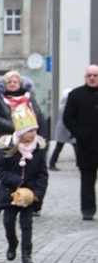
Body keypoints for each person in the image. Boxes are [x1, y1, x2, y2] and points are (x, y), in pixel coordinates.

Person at [0, 106, 48, 263]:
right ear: (20, 133)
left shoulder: (37, 151)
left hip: (29, 195)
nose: (32, 134)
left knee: (27, 224)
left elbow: (42, 174)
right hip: (10, 193)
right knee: (8, 222)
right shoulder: (9, 149)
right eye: (28, 131)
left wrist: (37, 193)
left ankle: (27, 253)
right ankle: (12, 243)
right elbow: (0, 169)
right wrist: (15, 180)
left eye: (34, 131)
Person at [0, 70, 47, 213]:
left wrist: (28, 128)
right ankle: (3, 201)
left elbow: (38, 114)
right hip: (8, 138)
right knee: (7, 169)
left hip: (28, 138)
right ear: (4, 84)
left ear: (20, 83)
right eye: (9, 82)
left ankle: (33, 201)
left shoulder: (28, 96)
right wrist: (17, 127)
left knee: (32, 170)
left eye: (15, 81)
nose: (12, 84)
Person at [62, 64, 98, 221]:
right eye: (89, 75)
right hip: (86, 144)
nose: (92, 78)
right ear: (85, 77)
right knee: (87, 180)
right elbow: (68, 117)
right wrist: (79, 134)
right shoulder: (76, 95)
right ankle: (88, 209)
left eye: (95, 75)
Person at [48, 89, 74, 171]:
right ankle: (52, 164)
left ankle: (52, 163)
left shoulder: (64, 104)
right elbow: (67, 119)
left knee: (59, 147)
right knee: (75, 147)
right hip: (66, 130)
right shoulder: (67, 105)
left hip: (63, 130)